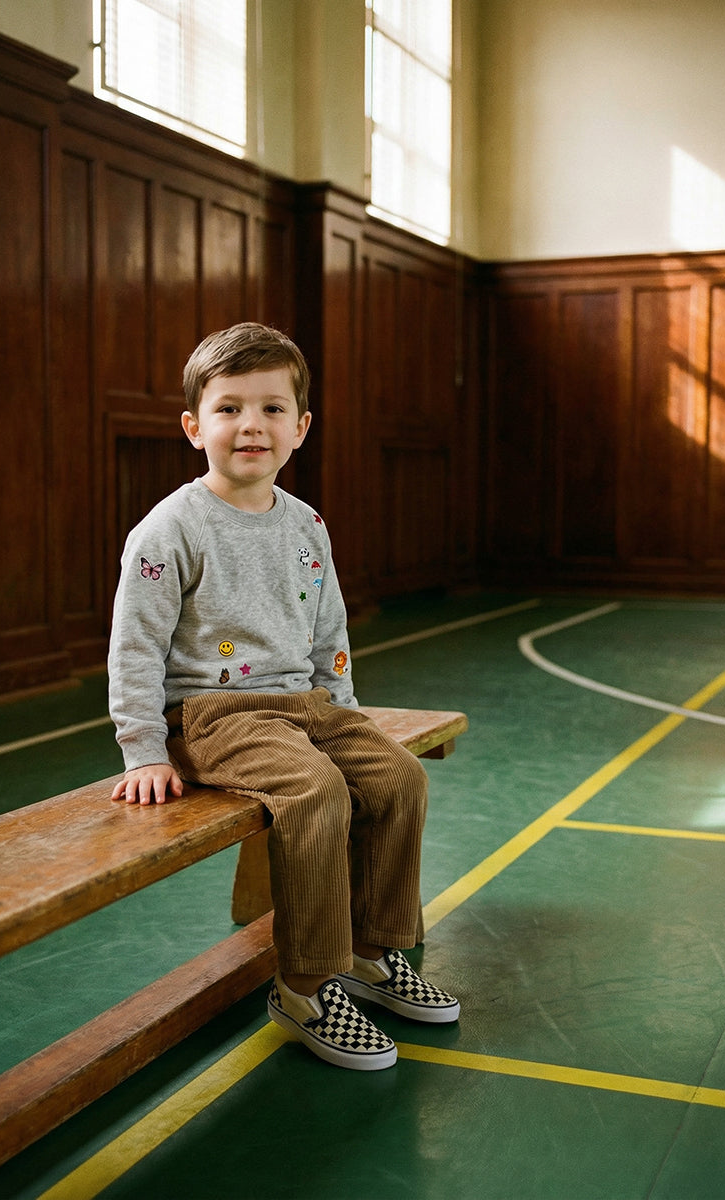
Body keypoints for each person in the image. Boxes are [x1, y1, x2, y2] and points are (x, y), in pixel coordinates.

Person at [107, 322, 459, 1070]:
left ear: (299, 427)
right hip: (210, 715)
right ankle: (304, 984)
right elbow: (134, 645)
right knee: (314, 792)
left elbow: (327, 625)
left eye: (271, 409)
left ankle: (371, 950)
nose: (250, 426)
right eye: (230, 408)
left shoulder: (306, 524)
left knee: (397, 776)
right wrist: (142, 748)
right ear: (193, 426)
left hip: (305, 705)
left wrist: (343, 709)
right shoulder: (168, 530)